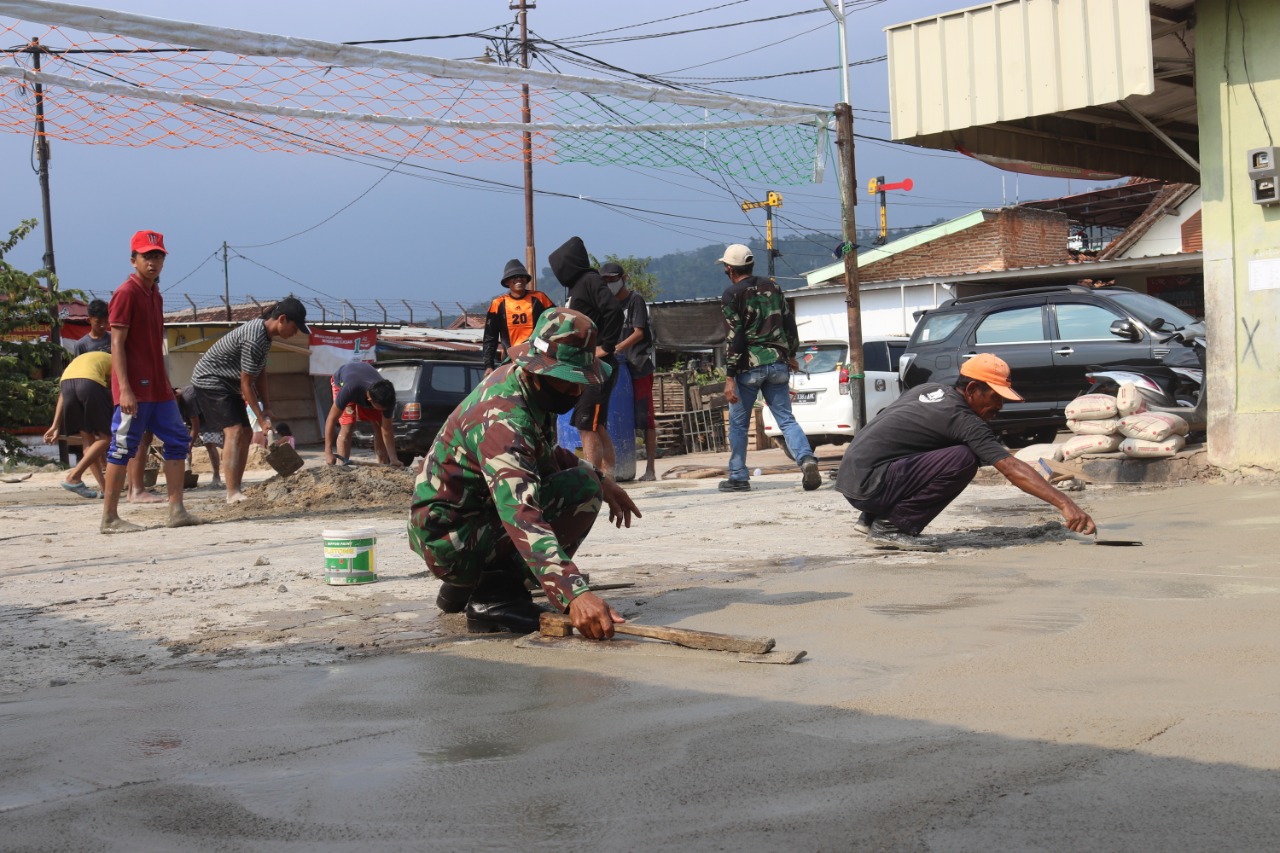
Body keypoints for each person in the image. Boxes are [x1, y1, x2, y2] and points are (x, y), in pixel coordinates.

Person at [409, 308, 640, 637]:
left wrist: (605, 481)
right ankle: (494, 598)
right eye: (570, 380)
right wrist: (573, 593)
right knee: (581, 490)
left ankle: (468, 584)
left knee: (589, 480)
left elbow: (542, 455)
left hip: (463, 523)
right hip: (449, 540)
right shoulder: (504, 418)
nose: (577, 392)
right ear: (540, 369)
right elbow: (522, 514)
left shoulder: (523, 385)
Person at [834, 353, 1097, 551]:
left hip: (854, 478)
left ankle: (870, 518)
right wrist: (1066, 503)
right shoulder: (962, 419)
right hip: (870, 486)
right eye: (996, 397)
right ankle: (889, 527)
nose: (1000, 406)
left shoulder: (928, 390)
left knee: (941, 447)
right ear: (972, 390)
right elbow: (1010, 467)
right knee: (963, 459)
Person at [100, 230, 200, 533]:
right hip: (136, 390)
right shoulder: (126, 293)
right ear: (134, 260)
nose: (153, 261)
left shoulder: (154, 295)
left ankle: (176, 510)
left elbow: (155, 344)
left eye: (158, 256)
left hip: (159, 388)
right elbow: (117, 344)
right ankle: (109, 518)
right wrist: (125, 388)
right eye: (147, 256)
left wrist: (166, 384)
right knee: (122, 446)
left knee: (178, 441)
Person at [716, 243, 821, 493]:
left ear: (729, 268)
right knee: (786, 419)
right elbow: (788, 322)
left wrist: (730, 377)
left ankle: (739, 476)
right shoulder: (773, 286)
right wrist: (792, 353)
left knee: (739, 424)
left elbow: (737, 336)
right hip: (777, 363)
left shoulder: (732, 294)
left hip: (748, 367)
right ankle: (806, 459)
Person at [190, 297, 309, 503]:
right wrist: (261, 420)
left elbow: (261, 373)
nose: (295, 332)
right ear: (282, 319)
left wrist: (268, 408)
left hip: (229, 383)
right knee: (234, 431)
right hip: (211, 380)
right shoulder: (255, 338)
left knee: (246, 432)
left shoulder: (265, 337)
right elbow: (247, 384)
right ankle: (232, 492)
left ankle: (236, 487)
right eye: (294, 327)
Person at [548, 236, 624, 477]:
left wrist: (607, 346)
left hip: (597, 366)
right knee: (594, 424)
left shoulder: (590, 280)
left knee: (587, 423)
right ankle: (608, 476)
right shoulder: (576, 287)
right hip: (584, 365)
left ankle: (595, 477)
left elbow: (613, 311)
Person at [605, 262, 658, 482]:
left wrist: (617, 347)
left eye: (612, 279)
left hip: (637, 365)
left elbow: (638, 332)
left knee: (645, 418)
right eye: (605, 280)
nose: (609, 284)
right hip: (615, 366)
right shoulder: (606, 304)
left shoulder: (634, 300)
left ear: (623, 278)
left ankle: (651, 469)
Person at [43, 350, 113, 498]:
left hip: (66, 385)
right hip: (90, 384)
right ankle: (74, 476)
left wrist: (55, 425)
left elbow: (62, 394)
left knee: (88, 441)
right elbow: (116, 390)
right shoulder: (115, 360)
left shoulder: (83, 361)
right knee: (106, 438)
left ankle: (104, 488)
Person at [481, 259, 555, 374]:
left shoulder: (540, 298)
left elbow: (555, 324)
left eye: (521, 276)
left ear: (526, 280)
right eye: (514, 277)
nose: (518, 279)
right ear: (507, 282)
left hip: (537, 360)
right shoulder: (498, 304)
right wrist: (488, 365)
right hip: (510, 362)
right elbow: (490, 338)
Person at [324, 361, 399, 466]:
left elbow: (386, 429)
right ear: (370, 399)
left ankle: (384, 464)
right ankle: (342, 466)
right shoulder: (349, 389)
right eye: (381, 408)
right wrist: (328, 452)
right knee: (348, 426)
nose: (383, 410)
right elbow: (331, 419)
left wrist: (394, 458)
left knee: (378, 426)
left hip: (363, 381)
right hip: (343, 382)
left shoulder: (387, 397)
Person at [176, 384, 223, 490]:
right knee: (184, 443)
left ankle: (216, 476)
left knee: (209, 443)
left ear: (176, 395)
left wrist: (189, 447)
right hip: (191, 418)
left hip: (210, 415)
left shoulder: (188, 399)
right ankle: (186, 473)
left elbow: (195, 426)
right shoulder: (173, 401)